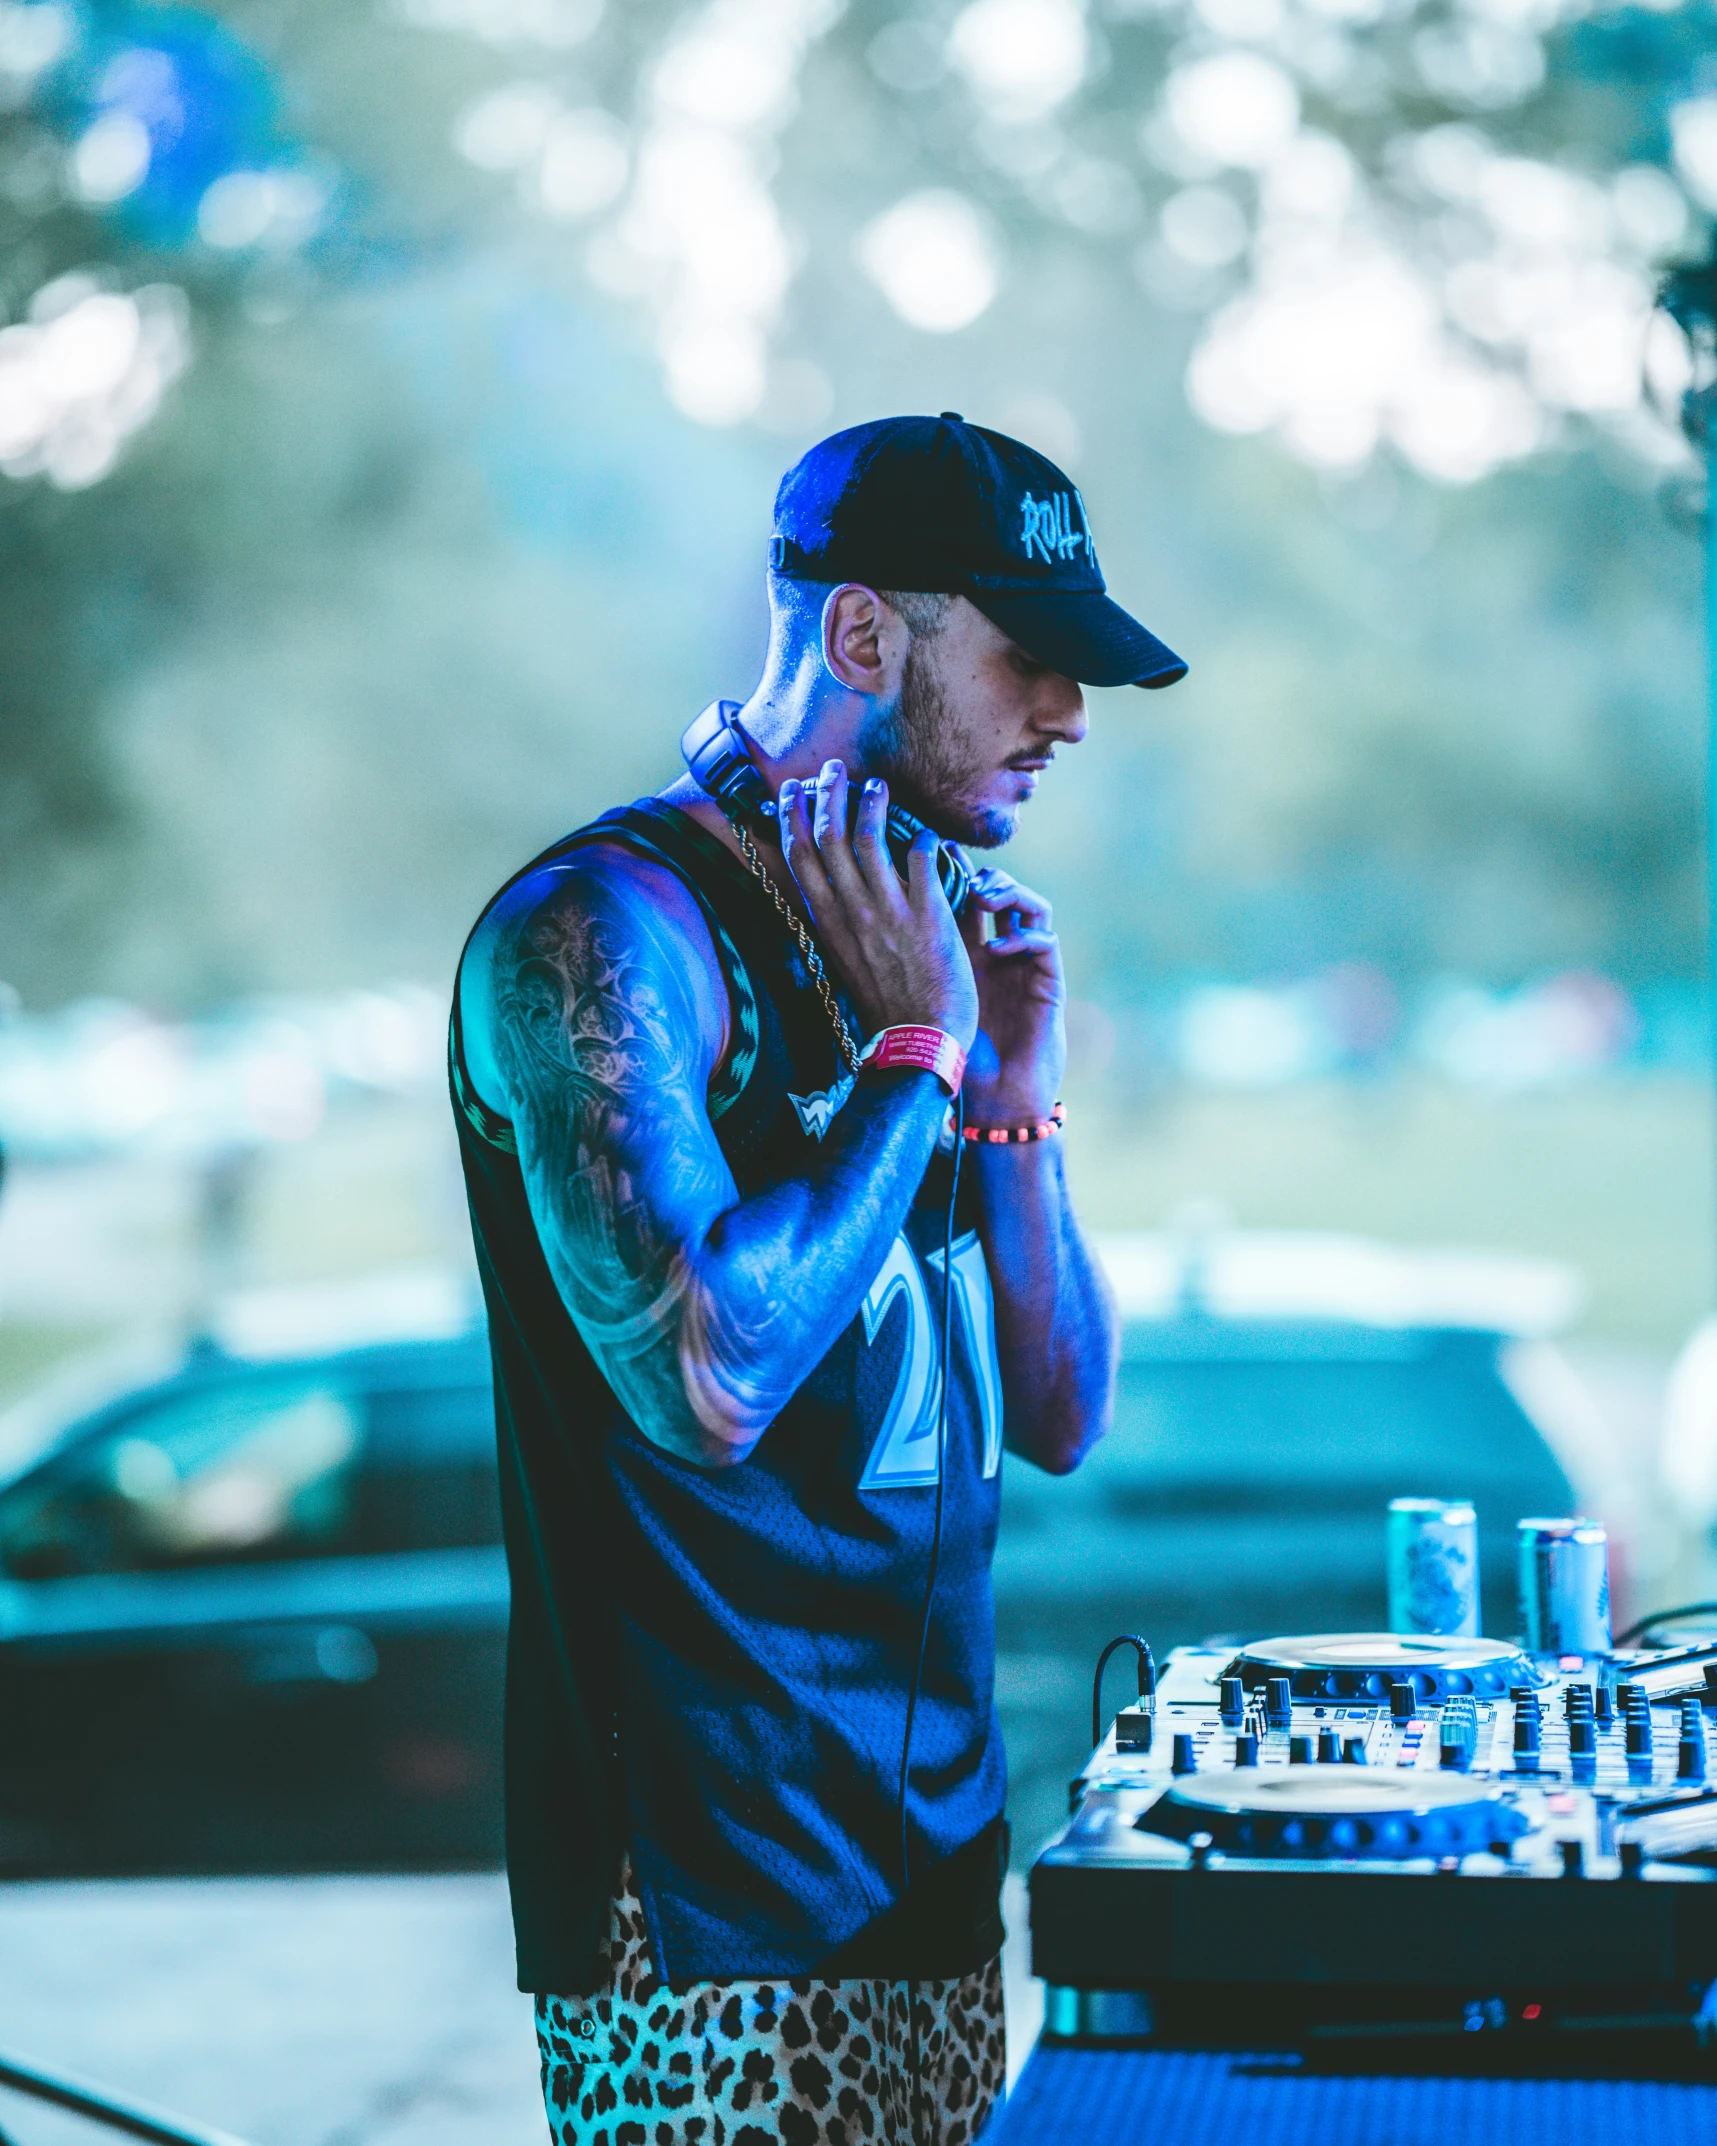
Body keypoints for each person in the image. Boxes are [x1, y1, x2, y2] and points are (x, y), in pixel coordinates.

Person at [449, 414, 1186, 2146]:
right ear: (864, 636)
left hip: (926, 1862)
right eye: (1031, 660)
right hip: (706, 1905)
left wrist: (1011, 1101)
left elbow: (1066, 1411)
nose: (1069, 715)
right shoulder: (603, 931)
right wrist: (914, 1050)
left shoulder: (921, 910)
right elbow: (705, 1374)